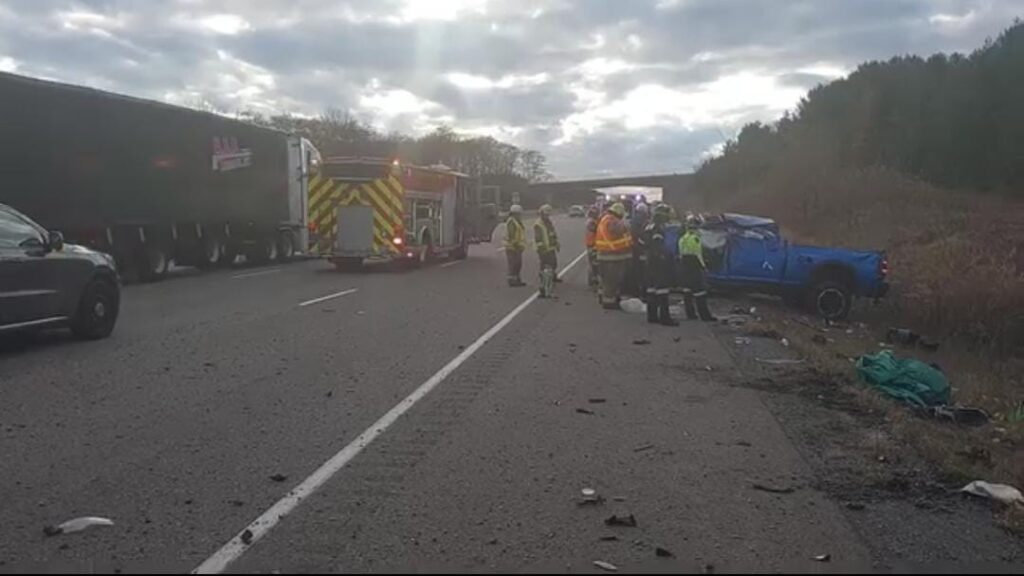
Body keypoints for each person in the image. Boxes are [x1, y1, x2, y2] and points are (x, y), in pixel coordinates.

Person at [639, 204, 678, 326]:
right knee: (662, 290)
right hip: (658, 262)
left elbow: (641, 242)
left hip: (649, 261)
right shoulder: (658, 228)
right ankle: (665, 318)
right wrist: (664, 257)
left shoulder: (647, 227)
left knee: (651, 289)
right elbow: (658, 245)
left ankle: (652, 316)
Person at [595, 202, 632, 310]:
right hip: (611, 256)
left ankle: (605, 298)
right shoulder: (611, 221)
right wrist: (625, 224)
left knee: (606, 280)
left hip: (606, 255)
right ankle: (609, 303)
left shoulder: (606, 219)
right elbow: (615, 232)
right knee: (612, 280)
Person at [678, 216, 715, 321]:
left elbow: (680, 254)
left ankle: (690, 314)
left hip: (684, 266)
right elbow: (698, 254)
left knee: (687, 291)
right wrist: (704, 267)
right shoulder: (695, 238)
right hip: (694, 266)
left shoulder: (682, 238)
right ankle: (705, 316)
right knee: (700, 292)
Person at [534, 204, 560, 297]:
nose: (547, 216)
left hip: (550, 248)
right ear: (541, 213)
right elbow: (538, 238)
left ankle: (548, 285)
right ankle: (544, 288)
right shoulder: (538, 224)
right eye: (545, 214)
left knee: (553, 265)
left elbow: (552, 233)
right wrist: (542, 249)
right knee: (546, 268)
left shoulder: (548, 222)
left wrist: (556, 243)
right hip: (544, 249)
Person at [629, 202, 650, 300]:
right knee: (642, 272)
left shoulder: (634, 219)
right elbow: (640, 235)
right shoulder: (642, 220)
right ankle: (641, 292)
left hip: (635, 248)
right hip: (640, 249)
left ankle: (636, 291)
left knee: (636, 271)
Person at [504, 204, 527, 287]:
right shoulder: (511, 222)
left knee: (518, 264)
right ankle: (512, 281)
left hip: (517, 247)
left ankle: (517, 279)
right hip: (512, 247)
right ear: (515, 213)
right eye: (519, 214)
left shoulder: (517, 222)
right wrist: (516, 245)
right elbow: (511, 235)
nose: (520, 215)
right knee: (513, 264)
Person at [584, 205, 601, 289]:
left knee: (593, 264)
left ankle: (593, 280)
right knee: (593, 264)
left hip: (592, 244)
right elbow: (596, 230)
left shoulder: (592, 221)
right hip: (592, 244)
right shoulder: (591, 222)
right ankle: (592, 280)